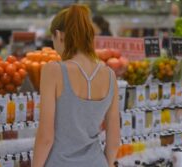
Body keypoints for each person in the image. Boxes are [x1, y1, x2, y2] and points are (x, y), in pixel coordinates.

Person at [33, 5, 120, 167]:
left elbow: (46, 137)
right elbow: (114, 140)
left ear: (59, 35)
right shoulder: (110, 75)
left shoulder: (53, 71)